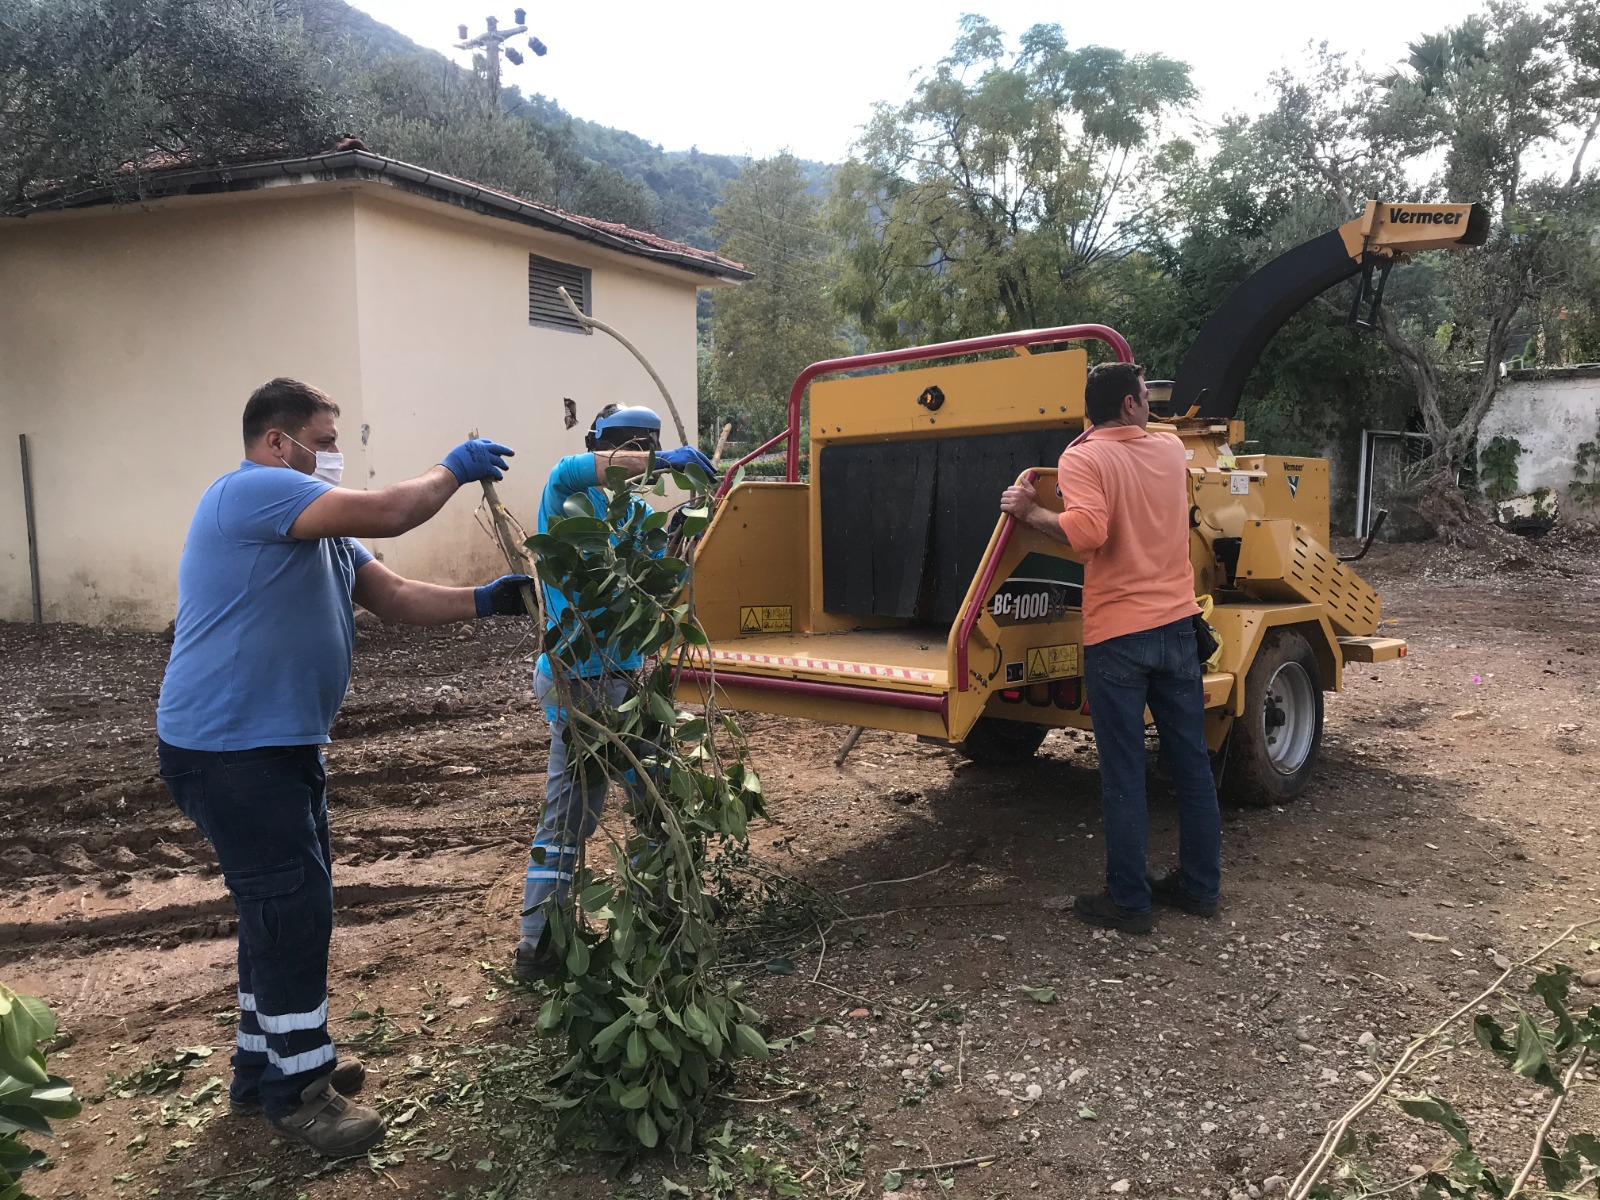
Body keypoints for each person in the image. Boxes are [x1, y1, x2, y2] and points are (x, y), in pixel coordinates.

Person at [156, 378, 533, 1158]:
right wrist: (455, 468)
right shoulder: (251, 491)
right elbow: (394, 510)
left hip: (274, 744)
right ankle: (300, 1094)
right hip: (230, 749)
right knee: (292, 912)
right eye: (323, 443)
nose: (332, 456)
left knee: (280, 907)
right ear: (276, 442)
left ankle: (266, 1068)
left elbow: (392, 597)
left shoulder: (317, 529)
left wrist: (488, 601)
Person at [999, 362, 1222, 935]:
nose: (1151, 404)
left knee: (1124, 772)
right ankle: (1200, 888)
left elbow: (1089, 532)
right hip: (1178, 626)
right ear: (1128, 404)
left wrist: (1029, 511)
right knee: (1191, 764)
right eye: (1146, 395)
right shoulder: (1170, 451)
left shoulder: (1084, 458)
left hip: (1119, 636)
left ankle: (1129, 902)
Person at [514, 404, 715, 982]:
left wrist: (684, 535)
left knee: (655, 794)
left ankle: (661, 913)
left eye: (647, 447)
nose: (638, 459)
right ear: (600, 448)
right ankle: (539, 943)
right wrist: (662, 462)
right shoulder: (566, 493)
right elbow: (589, 469)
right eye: (627, 448)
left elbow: (653, 590)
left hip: (622, 683)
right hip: (578, 680)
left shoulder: (631, 518)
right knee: (573, 815)